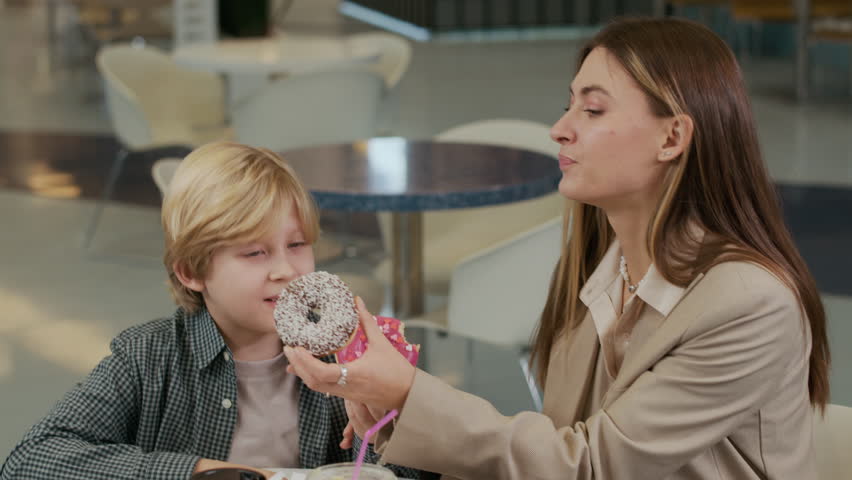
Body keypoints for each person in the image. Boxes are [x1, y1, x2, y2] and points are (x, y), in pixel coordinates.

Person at [283, 17, 830, 479]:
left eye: (592, 111)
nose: (559, 129)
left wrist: (408, 393)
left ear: (672, 138)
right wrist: (394, 409)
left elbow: (591, 465)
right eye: (569, 106)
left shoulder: (749, 304)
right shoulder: (604, 268)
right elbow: (557, 443)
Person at [0, 142, 420, 480]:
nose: (285, 270)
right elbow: (30, 461)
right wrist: (202, 472)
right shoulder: (147, 358)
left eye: (296, 245)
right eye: (254, 252)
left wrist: (392, 429)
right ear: (192, 271)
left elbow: (424, 468)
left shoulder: (351, 354)